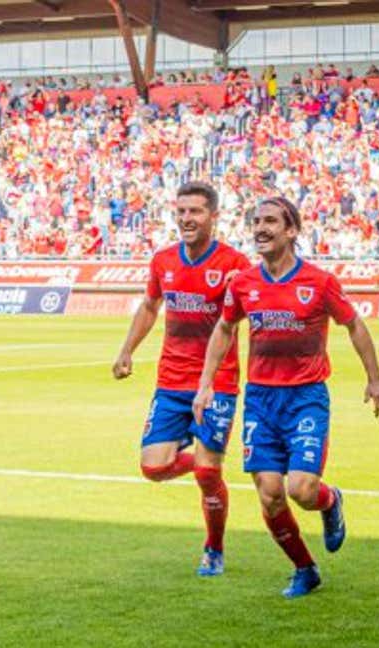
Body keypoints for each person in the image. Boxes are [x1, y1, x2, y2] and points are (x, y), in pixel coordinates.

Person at [193, 197, 379, 599]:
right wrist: (206, 382)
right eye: (256, 221)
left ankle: (330, 500)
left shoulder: (318, 282)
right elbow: (225, 330)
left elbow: (354, 325)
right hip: (261, 401)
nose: (260, 228)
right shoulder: (243, 284)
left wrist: (375, 380)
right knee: (269, 494)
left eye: (269, 221)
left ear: (291, 231)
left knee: (301, 489)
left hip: (305, 398)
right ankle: (304, 569)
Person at [112, 182, 251, 576]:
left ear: (214, 216)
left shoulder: (234, 264)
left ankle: (214, 547)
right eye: (182, 211)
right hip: (171, 381)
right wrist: (127, 349)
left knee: (208, 476)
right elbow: (151, 306)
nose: (187, 219)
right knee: (154, 467)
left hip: (217, 382)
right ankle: (208, 461)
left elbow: (251, 316)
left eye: (196, 212)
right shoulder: (163, 261)